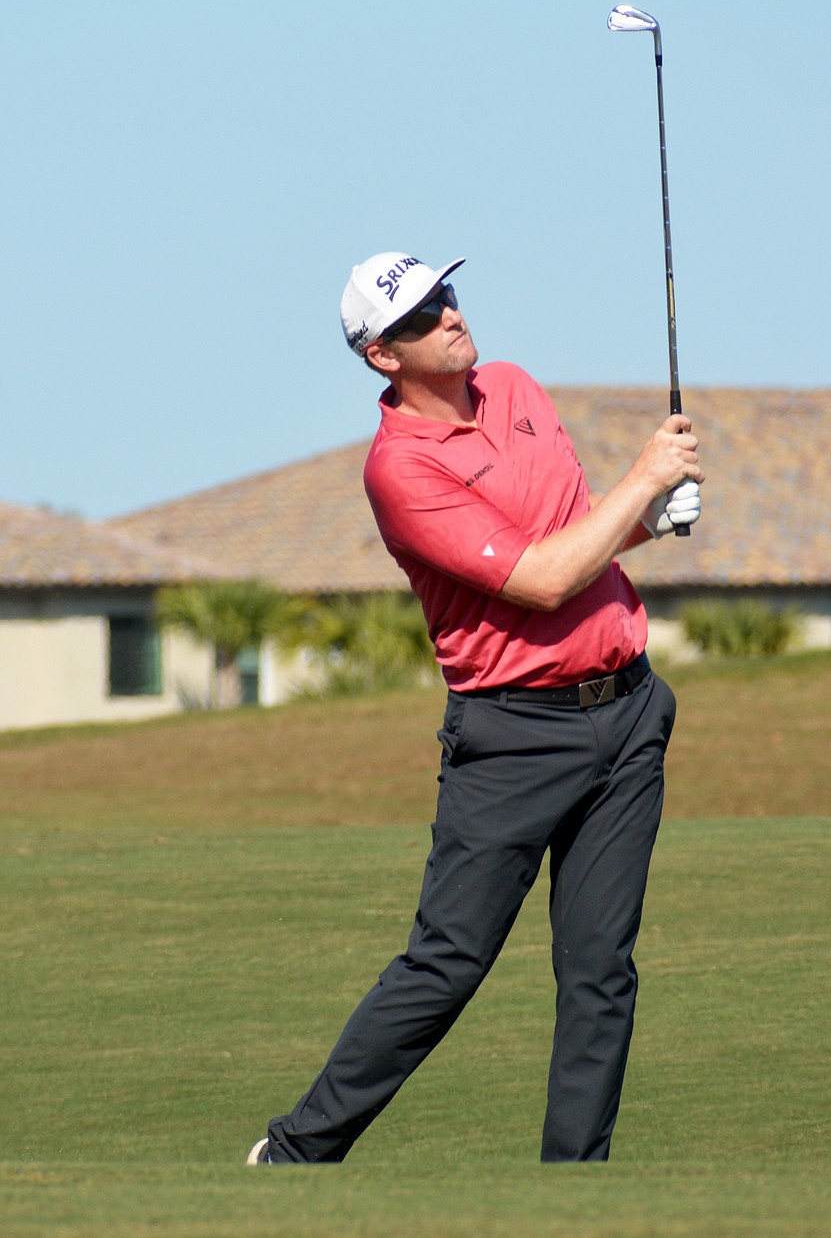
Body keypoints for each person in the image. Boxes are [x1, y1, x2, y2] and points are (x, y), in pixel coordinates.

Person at [247, 252, 703, 1166]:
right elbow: (541, 579)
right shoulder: (400, 468)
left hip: (627, 711)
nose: (450, 315)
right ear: (383, 356)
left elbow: (578, 536)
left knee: (600, 968)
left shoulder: (516, 387)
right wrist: (647, 479)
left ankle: (573, 1192)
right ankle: (296, 1154)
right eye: (421, 314)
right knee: (448, 960)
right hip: (513, 735)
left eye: (446, 294)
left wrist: (648, 520)